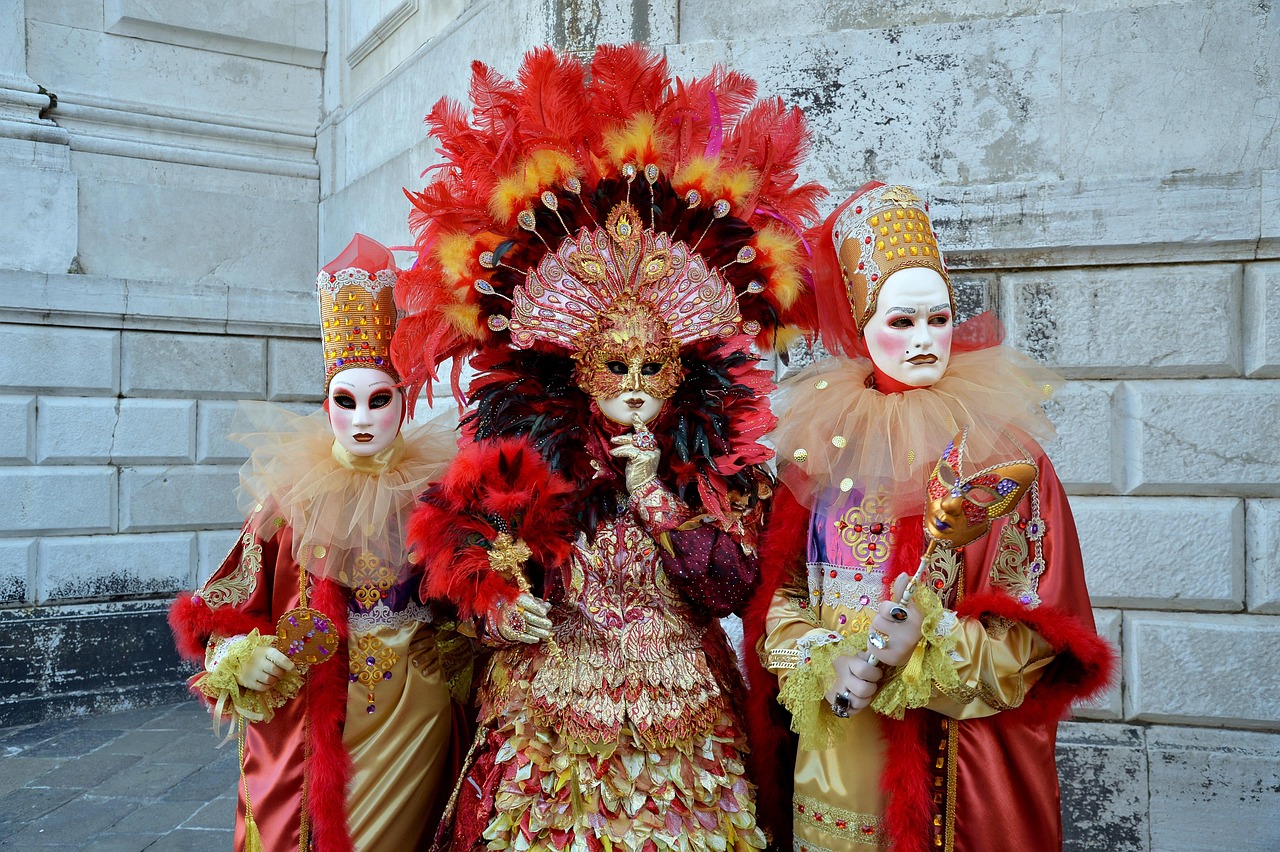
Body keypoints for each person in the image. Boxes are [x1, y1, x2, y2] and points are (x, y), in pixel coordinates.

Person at [388, 44, 824, 851]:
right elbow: (455, 558)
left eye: (650, 367)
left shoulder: (715, 465)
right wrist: (495, 605)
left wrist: (661, 495)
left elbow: (733, 588)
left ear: (682, 366)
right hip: (549, 696)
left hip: (681, 704)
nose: (631, 385)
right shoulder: (524, 455)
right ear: (575, 363)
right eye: (612, 366)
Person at [742, 182, 1116, 851]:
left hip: (954, 755)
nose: (923, 340)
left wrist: (929, 647)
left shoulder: (1000, 450)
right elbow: (784, 595)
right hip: (838, 750)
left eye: (937, 319)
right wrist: (824, 660)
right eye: (901, 321)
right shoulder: (818, 450)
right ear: (862, 326)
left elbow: (1038, 626)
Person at [169, 235, 462, 852]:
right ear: (325, 402)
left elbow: (470, 596)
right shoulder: (290, 502)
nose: (361, 419)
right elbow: (224, 608)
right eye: (344, 400)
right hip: (319, 714)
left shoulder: (440, 495)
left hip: (421, 713)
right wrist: (240, 655)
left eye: (379, 400)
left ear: (402, 403)